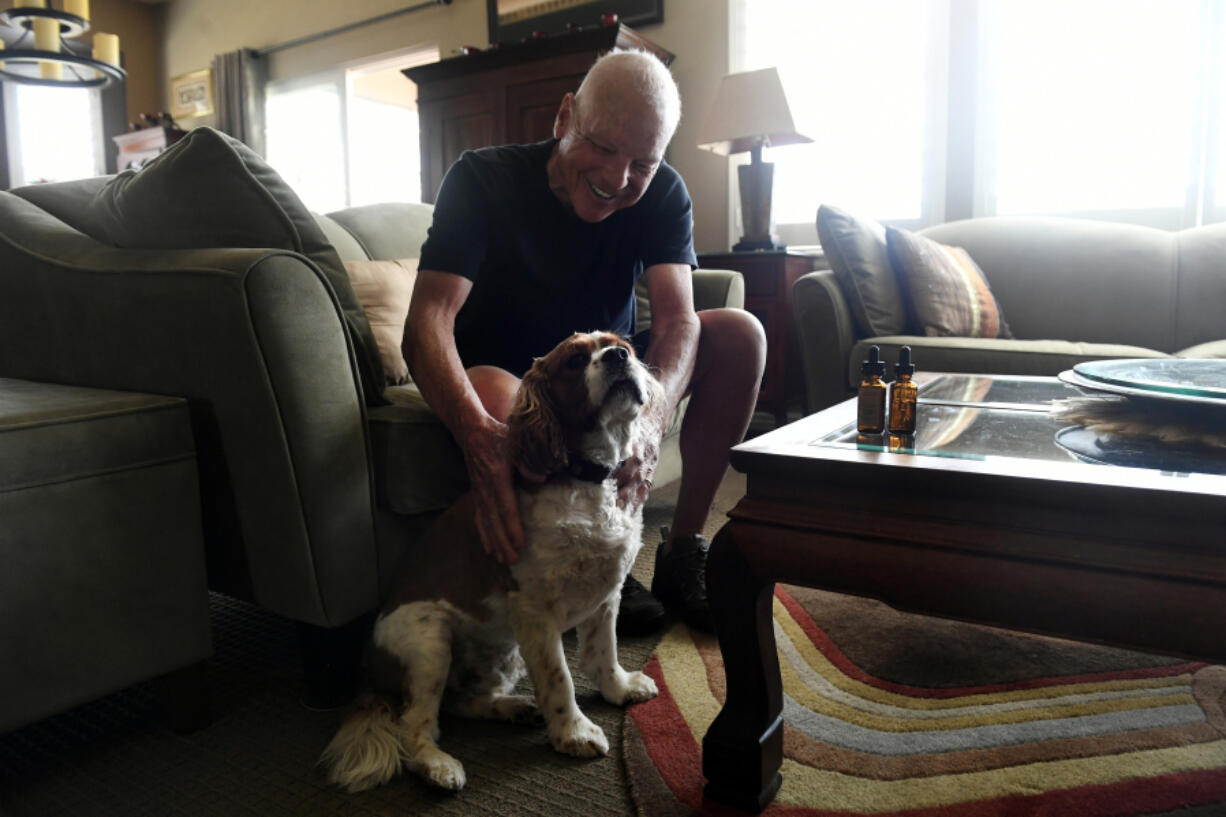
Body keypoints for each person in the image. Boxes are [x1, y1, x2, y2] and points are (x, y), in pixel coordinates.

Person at [402, 48, 766, 633]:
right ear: (564, 117)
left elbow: (679, 322)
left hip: (610, 364)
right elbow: (426, 322)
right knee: (504, 396)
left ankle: (682, 548)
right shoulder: (481, 178)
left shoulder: (664, 194)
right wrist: (476, 433)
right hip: (506, 371)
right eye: (602, 147)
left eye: (642, 163)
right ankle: (585, 562)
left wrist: (652, 422)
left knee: (739, 334)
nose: (617, 180)